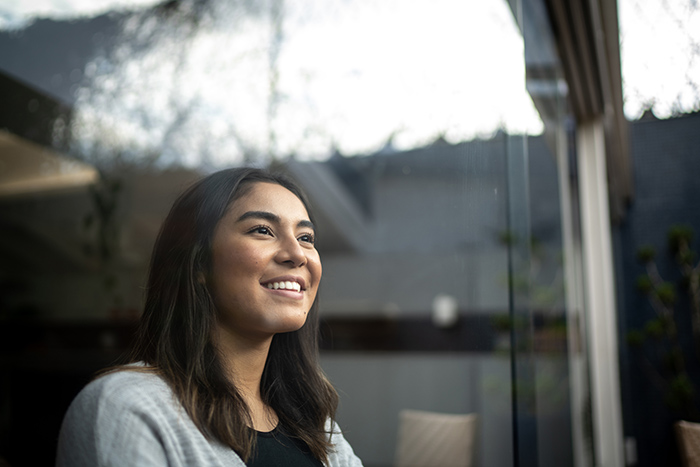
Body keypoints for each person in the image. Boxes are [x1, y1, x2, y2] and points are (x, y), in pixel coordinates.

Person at [56, 168, 363, 467]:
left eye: (306, 237)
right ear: (199, 263)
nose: (297, 254)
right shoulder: (126, 407)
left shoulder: (316, 426)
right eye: (262, 230)